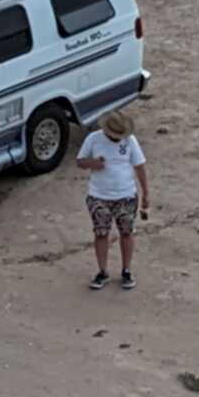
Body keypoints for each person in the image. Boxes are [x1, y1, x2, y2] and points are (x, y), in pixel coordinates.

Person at [80, 102, 148, 288]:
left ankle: (126, 270)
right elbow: (80, 161)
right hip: (98, 195)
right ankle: (102, 271)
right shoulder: (93, 139)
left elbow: (140, 167)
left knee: (126, 232)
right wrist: (93, 163)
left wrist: (146, 194)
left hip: (126, 195)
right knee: (101, 233)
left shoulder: (130, 141)